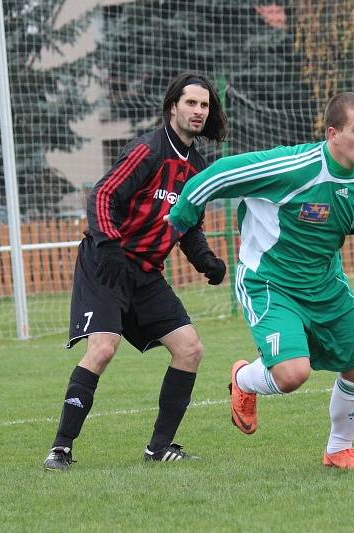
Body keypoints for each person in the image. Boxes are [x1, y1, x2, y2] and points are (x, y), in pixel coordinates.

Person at [166, 92, 354, 469]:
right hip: (269, 283)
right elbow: (220, 173)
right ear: (333, 134)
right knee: (293, 373)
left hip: (326, 285)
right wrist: (182, 215)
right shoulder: (293, 166)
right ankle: (245, 379)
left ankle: (338, 450)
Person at [44, 72, 229, 470]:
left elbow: (187, 225)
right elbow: (104, 194)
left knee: (190, 349)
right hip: (106, 263)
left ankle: (159, 447)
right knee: (103, 348)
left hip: (146, 272)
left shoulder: (197, 167)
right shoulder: (148, 150)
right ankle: (60, 448)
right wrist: (108, 243)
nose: (198, 111)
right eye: (191, 103)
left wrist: (206, 262)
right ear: (172, 107)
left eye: (204, 105)